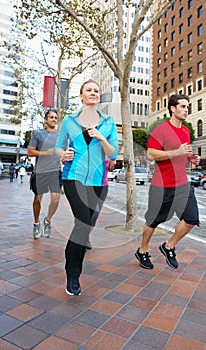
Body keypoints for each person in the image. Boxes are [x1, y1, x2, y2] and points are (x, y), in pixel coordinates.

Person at [55, 79, 118, 296]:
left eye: (96, 91)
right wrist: (63, 155)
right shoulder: (69, 121)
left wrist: (101, 137)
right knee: (82, 224)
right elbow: (58, 147)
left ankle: (73, 259)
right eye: (89, 90)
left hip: (99, 182)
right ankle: (73, 274)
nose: (93, 93)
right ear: (81, 95)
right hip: (74, 177)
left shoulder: (108, 122)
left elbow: (113, 154)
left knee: (86, 226)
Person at [135, 94, 200, 270]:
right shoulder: (161, 129)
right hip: (162, 185)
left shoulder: (186, 131)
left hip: (183, 184)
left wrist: (192, 158)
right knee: (153, 221)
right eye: (182, 106)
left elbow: (183, 154)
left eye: (187, 107)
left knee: (192, 219)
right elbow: (150, 154)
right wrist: (176, 152)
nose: (186, 110)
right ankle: (142, 250)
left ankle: (169, 246)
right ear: (172, 108)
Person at [28, 109, 61, 239]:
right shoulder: (38, 134)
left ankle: (47, 221)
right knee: (37, 199)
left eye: (55, 117)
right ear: (46, 120)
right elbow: (30, 152)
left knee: (55, 199)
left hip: (55, 171)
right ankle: (36, 224)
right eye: (51, 117)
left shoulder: (60, 135)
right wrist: (45, 153)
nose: (54, 119)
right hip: (40, 171)